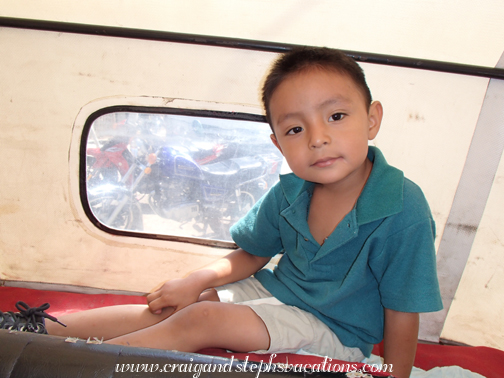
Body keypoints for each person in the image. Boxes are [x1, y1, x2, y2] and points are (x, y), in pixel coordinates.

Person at [1, 47, 442, 378]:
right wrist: (195, 281)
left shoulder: (401, 207)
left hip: (337, 329)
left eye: (337, 116)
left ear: (371, 119)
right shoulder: (291, 192)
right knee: (181, 305)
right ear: (277, 143)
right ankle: (34, 329)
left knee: (203, 318)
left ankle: (79, 367)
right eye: (294, 128)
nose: (317, 138)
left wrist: (395, 375)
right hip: (278, 294)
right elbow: (250, 254)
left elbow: (403, 311)